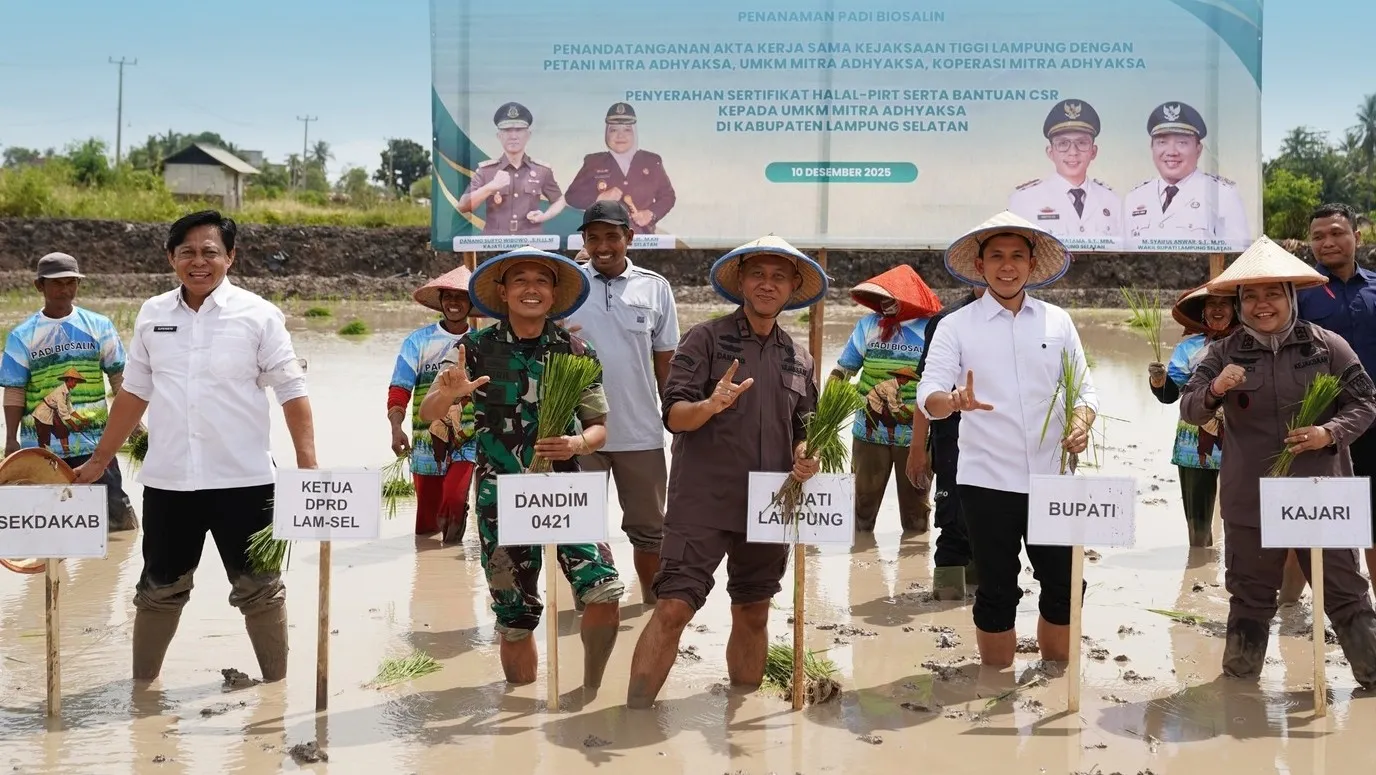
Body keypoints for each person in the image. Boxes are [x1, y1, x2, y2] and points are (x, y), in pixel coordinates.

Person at [72, 210, 317, 684]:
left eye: (210, 252)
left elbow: (292, 391)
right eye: (187, 252)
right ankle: (143, 691)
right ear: (171, 258)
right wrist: (100, 459)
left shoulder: (259, 315)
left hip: (245, 484)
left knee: (260, 590)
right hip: (169, 484)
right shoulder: (152, 314)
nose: (198, 262)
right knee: (159, 590)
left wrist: (309, 471)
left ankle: (275, 693)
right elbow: (133, 392)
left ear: (231, 258)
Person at [625, 235, 824, 709]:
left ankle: (743, 717)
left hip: (769, 506)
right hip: (702, 502)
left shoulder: (800, 358)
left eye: (779, 276)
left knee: (753, 611)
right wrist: (711, 405)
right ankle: (632, 717)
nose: (767, 284)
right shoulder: (706, 339)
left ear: (794, 286)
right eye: (758, 273)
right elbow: (673, 415)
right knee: (673, 607)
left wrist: (806, 456)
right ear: (740, 281)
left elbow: (806, 430)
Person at [418, 246, 624, 688]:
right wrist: (449, 394)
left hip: (565, 490)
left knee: (604, 590)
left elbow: (599, 430)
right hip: (500, 495)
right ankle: (522, 723)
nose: (531, 289)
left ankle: (589, 688)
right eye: (520, 280)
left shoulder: (576, 350)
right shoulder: (472, 349)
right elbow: (428, 414)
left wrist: (575, 443)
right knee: (515, 617)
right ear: (504, 292)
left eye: (541, 281)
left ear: (553, 293)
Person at [1180, 235, 1376, 687]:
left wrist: (1329, 432)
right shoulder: (1223, 352)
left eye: (1272, 293)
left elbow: (1365, 403)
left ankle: (1371, 676)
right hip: (1251, 498)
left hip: (1321, 494)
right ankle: (1239, 688)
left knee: (1346, 592)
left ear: (1290, 296)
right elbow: (1189, 407)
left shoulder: (1328, 346)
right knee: (1249, 595)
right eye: (1251, 295)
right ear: (1240, 303)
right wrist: (1215, 390)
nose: (1261, 304)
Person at [914, 211, 1097, 668]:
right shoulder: (957, 327)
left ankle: (1055, 680)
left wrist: (1081, 420)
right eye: (996, 256)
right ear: (980, 266)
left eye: (1017, 255)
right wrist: (953, 401)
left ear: (1032, 264)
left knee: (1064, 584)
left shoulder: (1058, 322)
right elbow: (927, 396)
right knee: (996, 588)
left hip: (1053, 480)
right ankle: (995, 685)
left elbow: (1085, 387)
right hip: (987, 481)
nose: (1007, 265)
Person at [563, 200, 680, 604]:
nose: (602, 246)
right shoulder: (568, 285)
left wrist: (676, 420)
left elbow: (667, 364)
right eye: (592, 238)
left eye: (612, 236)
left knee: (650, 531)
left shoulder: (655, 287)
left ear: (629, 237)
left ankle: (651, 606)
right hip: (577, 435)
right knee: (582, 528)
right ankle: (593, 607)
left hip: (641, 433)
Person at [0, 252, 140, 532]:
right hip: (41, 449)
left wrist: (133, 424)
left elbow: (119, 377)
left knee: (117, 522)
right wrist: (11, 439)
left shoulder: (99, 326)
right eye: (56, 283)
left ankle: (112, 569)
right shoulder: (22, 335)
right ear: (39, 286)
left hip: (96, 445)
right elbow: (15, 391)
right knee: (47, 523)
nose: (65, 290)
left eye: (70, 282)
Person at [1297, 202, 1376, 592]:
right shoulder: (1298, 293)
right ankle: (1292, 607)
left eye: (1336, 233)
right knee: (1312, 516)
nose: (1327, 242)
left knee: (1373, 519)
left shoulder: (1375, 288)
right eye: (1318, 236)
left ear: (1356, 237)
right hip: (1318, 425)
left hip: (1373, 422)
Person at [830, 265, 942, 534]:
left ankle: (913, 570)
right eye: (881, 298)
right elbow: (844, 369)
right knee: (861, 509)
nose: (884, 303)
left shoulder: (934, 329)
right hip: (868, 433)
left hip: (916, 437)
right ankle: (859, 565)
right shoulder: (868, 325)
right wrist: (826, 410)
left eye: (891, 298)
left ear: (909, 298)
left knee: (917, 511)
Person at [387, 266, 478, 542]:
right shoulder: (418, 341)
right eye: (448, 296)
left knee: (454, 498)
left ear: (471, 302)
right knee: (427, 522)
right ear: (440, 301)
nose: (453, 303)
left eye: (461, 297)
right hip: (425, 437)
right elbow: (400, 387)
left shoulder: (481, 342)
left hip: (467, 438)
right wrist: (396, 427)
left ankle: (454, 559)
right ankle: (428, 574)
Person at [909, 285, 985, 600]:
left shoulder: (1028, 321)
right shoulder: (947, 320)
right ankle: (947, 607)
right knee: (952, 523)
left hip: (1003, 443)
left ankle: (983, 604)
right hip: (952, 437)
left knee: (993, 528)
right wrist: (917, 449)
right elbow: (925, 389)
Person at [1147, 284, 1238, 547]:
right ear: (1203, 312)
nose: (1218, 309)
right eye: (1211, 304)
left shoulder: (1250, 342)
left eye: (1225, 303)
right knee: (1198, 515)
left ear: (1236, 309)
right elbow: (1169, 394)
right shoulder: (1190, 348)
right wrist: (1158, 379)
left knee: (1244, 511)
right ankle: (1198, 564)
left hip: (1241, 434)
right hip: (1194, 438)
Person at [1124, 102, 1249, 249]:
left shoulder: (1222, 195)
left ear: (1198, 149)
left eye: (1182, 142)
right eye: (1162, 142)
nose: (1171, 152)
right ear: (1152, 147)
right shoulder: (1135, 198)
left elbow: (1237, 259)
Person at [1007, 98, 1122, 244]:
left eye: (1081, 143)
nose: (1073, 152)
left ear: (1093, 152)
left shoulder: (1112, 201)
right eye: (1063, 144)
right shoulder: (1024, 200)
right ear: (1050, 152)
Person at [564, 102, 676, 234]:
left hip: (642, 241)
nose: (620, 136)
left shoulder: (652, 161)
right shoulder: (593, 162)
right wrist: (599, 199)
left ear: (635, 132)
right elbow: (572, 196)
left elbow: (668, 196)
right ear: (606, 133)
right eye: (614, 130)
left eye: (627, 129)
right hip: (603, 238)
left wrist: (651, 213)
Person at [458, 102, 567, 236]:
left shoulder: (541, 170)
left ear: (528, 135)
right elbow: (463, 206)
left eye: (519, 130)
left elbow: (560, 200)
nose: (513, 136)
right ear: (499, 136)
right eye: (507, 130)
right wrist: (491, 187)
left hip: (530, 245)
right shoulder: (486, 171)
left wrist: (544, 216)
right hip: (493, 247)